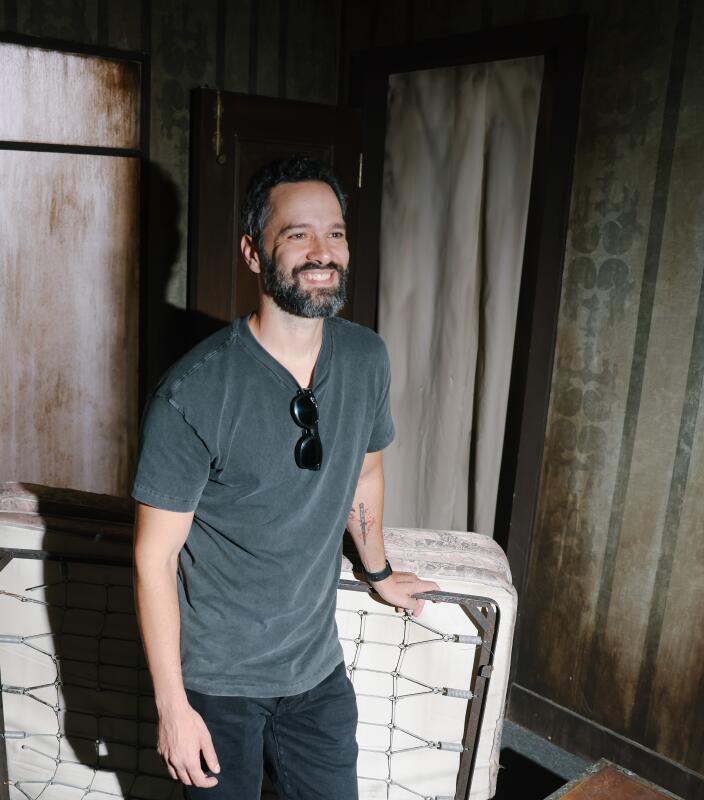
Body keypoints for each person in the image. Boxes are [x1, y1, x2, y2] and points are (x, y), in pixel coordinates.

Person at [131, 155, 440, 798]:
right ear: (253, 252)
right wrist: (172, 707)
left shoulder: (366, 359)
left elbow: (366, 470)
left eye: (335, 233)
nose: (322, 251)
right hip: (217, 682)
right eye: (298, 233)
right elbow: (153, 557)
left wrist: (378, 571)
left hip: (316, 670)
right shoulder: (194, 392)